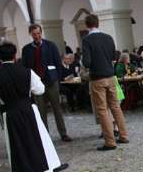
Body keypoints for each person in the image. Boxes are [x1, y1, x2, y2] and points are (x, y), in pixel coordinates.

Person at [0, 42, 68, 172]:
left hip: (10, 111)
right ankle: (49, 166)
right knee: (39, 139)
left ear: (0, 57)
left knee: (19, 144)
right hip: (28, 108)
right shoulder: (27, 71)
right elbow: (39, 90)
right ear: (15, 56)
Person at [82, 13, 130, 149]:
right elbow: (113, 55)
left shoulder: (87, 40)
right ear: (98, 23)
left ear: (87, 25)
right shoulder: (108, 37)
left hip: (97, 78)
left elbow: (86, 62)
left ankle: (110, 141)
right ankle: (124, 135)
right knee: (116, 107)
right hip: (110, 76)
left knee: (102, 110)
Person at [21, 24, 71, 142]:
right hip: (37, 83)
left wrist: (57, 79)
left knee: (57, 108)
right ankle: (45, 135)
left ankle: (63, 133)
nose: (37, 36)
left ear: (41, 33)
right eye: (34, 34)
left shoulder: (50, 45)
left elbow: (58, 64)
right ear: (30, 34)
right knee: (41, 110)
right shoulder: (27, 49)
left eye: (38, 33)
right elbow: (26, 67)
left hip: (51, 81)